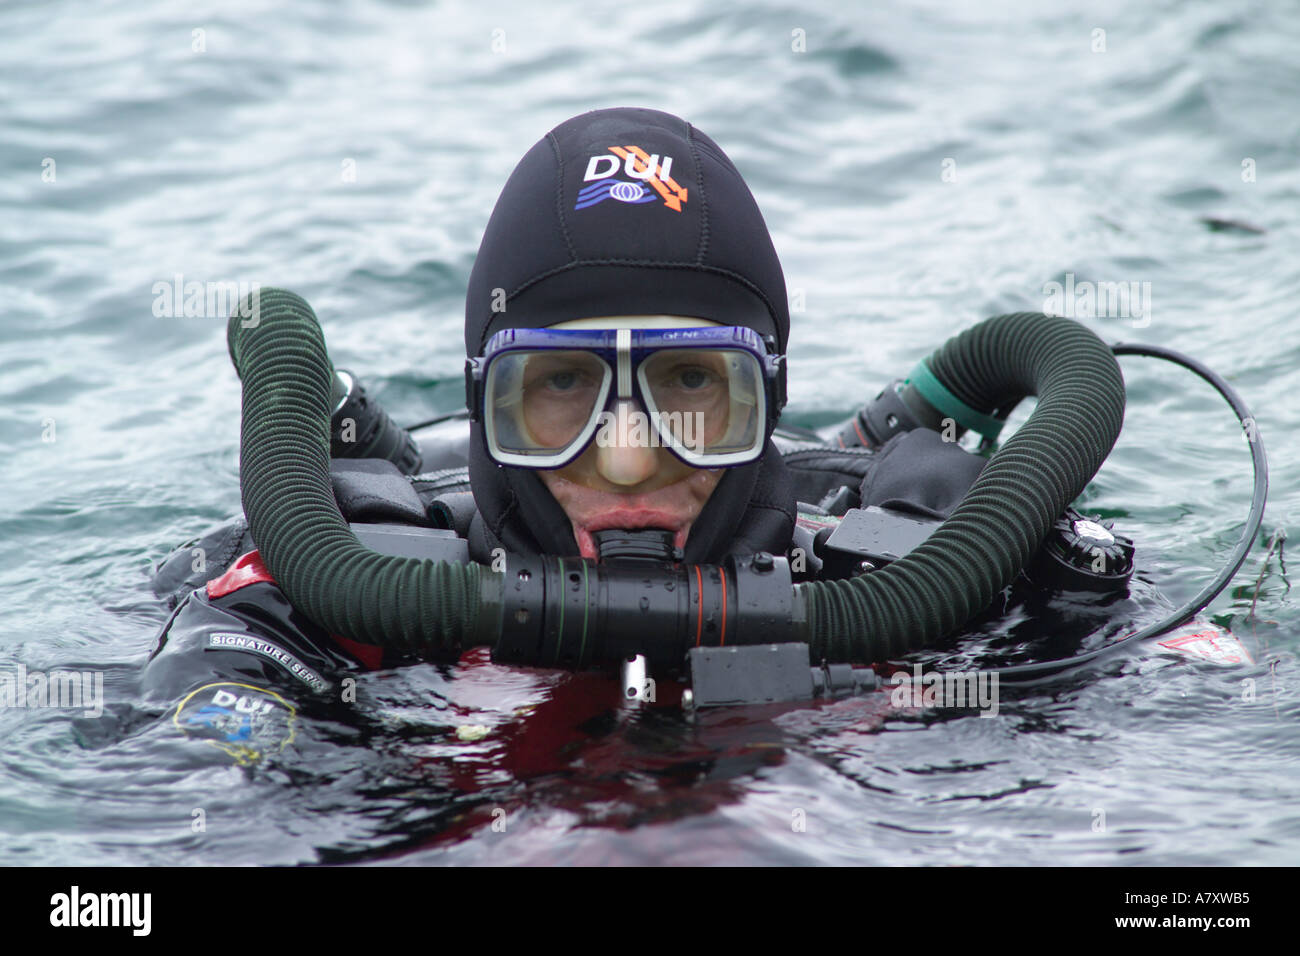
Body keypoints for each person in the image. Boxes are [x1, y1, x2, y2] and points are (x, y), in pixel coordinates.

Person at [142, 107, 989, 763]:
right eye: (562, 385)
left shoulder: (922, 592)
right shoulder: (334, 596)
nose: (626, 455)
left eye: (691, 381)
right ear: (486, 408)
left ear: (766, 399)